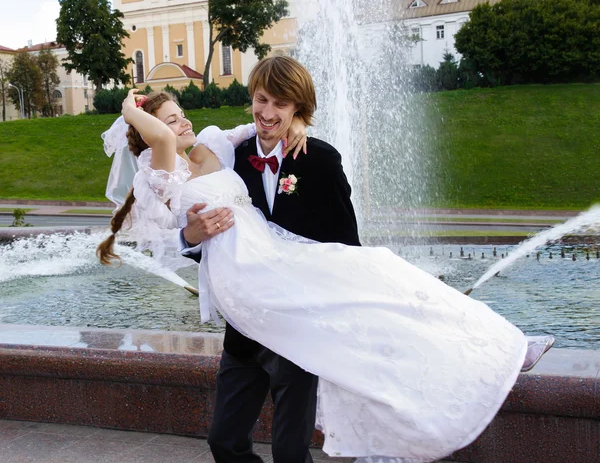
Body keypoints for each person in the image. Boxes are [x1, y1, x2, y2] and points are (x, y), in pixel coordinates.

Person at [98, 56, 554, 463]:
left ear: (297, 109)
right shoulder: (226, 154)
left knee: (380, 281)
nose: (267, 113)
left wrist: (349, 289)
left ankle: (499, 345)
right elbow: (181, 229)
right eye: (261, 100)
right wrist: (190, 235)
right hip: (247, 310)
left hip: (299, 313)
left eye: (281, 103)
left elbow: (344, 240)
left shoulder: (314, 158)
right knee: (224, 443)